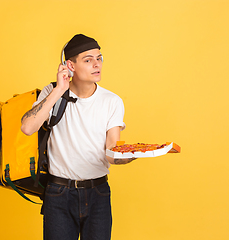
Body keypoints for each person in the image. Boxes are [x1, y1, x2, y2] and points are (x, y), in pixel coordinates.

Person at [21, 34, 135, 240]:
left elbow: (112, 151)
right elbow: (28, 127)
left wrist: (133, 154)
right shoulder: (51, 93)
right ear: (70, 65)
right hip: (59, 193)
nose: (96, 64)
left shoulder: (112, 101)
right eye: (88, 59)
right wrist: (59, 89)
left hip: (98, 193)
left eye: (99, 58)